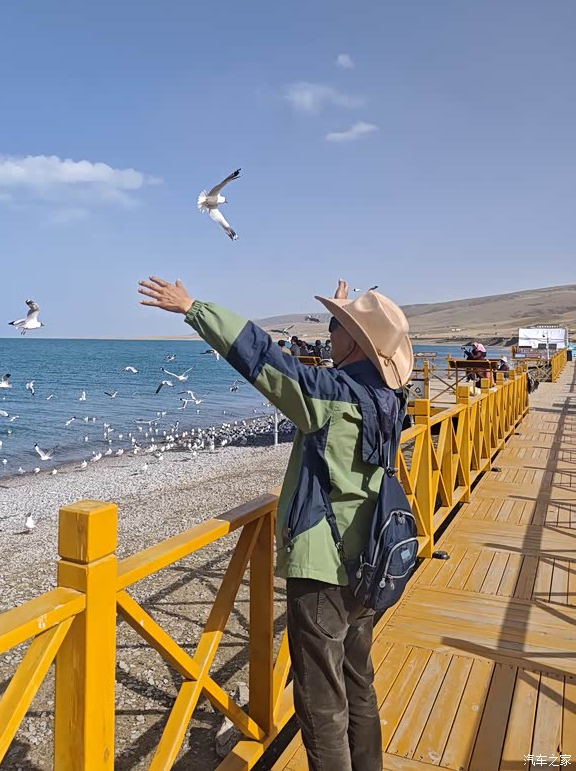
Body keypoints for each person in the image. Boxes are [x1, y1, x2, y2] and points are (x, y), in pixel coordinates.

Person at [138, 275, 413, 771]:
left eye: (336, 328)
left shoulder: (329, 397)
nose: (329, 334)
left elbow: (265, 360)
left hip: (325, 566)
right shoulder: (390, 399)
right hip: (375, 558)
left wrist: (194, 308)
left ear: (355, 343)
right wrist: (348, 317)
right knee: (358, 682)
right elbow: (331, 382)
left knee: (321, 702)